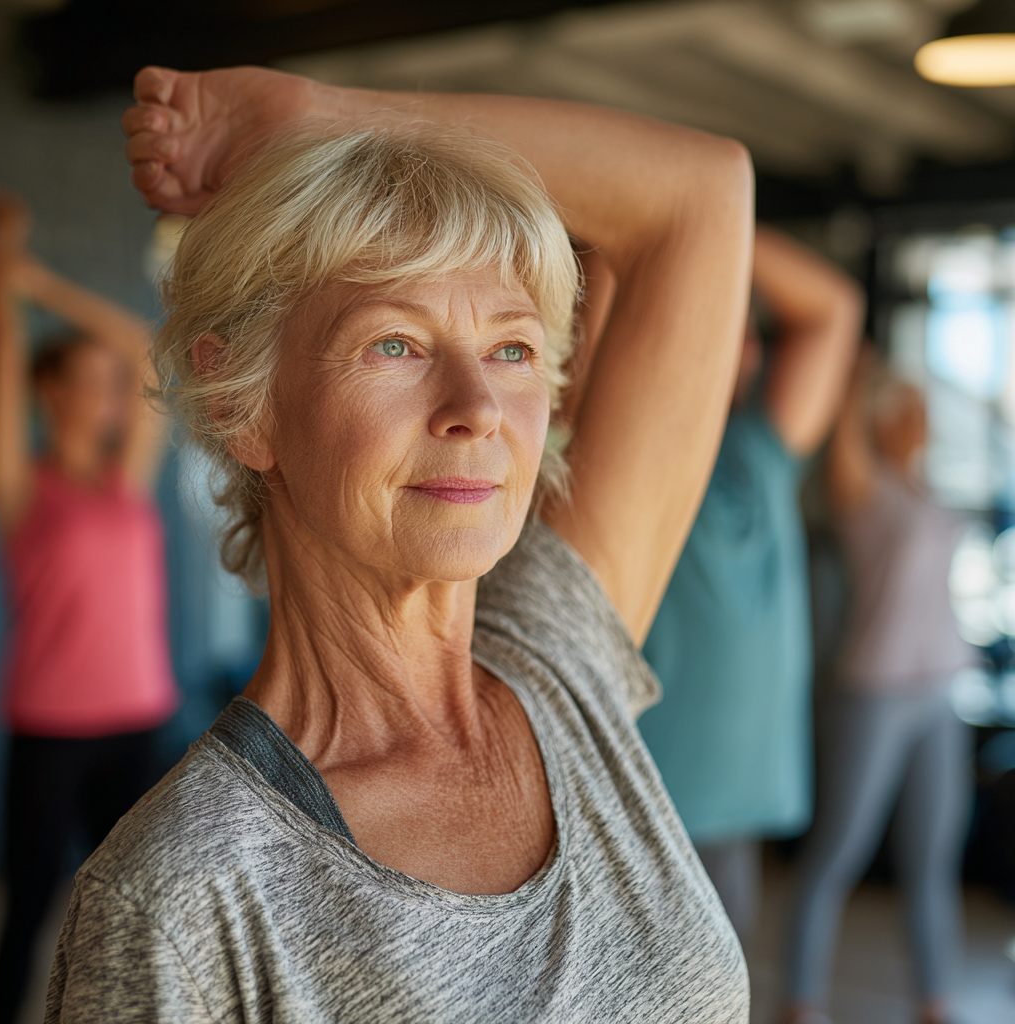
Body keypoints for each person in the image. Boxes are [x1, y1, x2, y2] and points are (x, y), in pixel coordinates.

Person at [43, 65, 755, 1022]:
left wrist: (317, 117)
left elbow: (703, 195)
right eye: (395, 345)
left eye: (511, 348)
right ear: (241, 404)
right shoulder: (182, 897)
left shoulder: (562, 660)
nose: (477, 410)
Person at [636, 227, 863, 941]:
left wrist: (714, 214)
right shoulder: (637, 450)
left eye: (751, 334)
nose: (754, 353)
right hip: (648, 792)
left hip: (733, 797)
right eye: (729, 330)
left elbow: (833, 308)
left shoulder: (758, 450)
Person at [0, 195, 177, 1023]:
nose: (111, 397)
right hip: (53, 722)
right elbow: (2, 354)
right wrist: (5, 289)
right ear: (50, 394)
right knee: (31, 900)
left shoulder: (124, 481)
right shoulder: (23, 489)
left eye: (113, 388)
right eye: (91, 383)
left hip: (138, 716)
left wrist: (36, 276)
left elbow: (142, 348)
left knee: (140, 905)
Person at [783, 355, 973, 1024]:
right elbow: (844, 437)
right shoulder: (862, 491)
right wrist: (854, 382)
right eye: (909, 409)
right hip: (877, 691)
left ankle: (934, 1000)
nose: (922, 421)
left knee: (933, 856)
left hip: (940, 689)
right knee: (839, 848)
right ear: (883, 420)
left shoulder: (925, 493)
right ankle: (800, 1001)